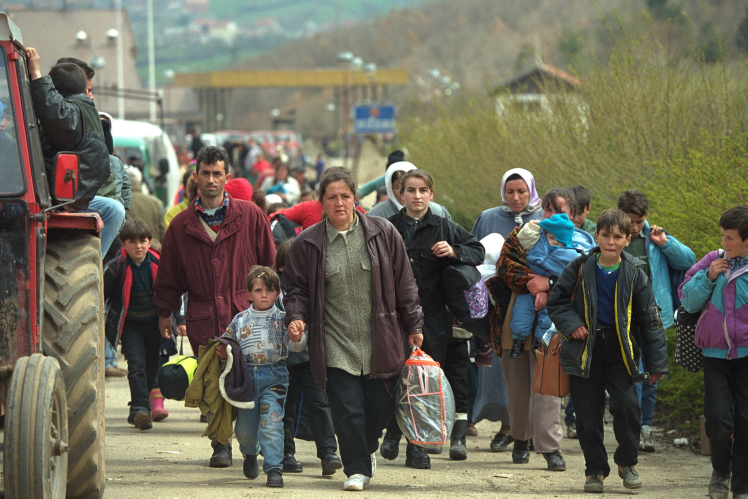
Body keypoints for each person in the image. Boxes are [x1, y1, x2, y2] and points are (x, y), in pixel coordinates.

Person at [282, 170, 424, 491]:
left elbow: (405, 284)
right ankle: (357, 469)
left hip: (381, 340)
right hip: (335, 340)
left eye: (345, 196)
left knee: (379, 409)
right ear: (321, 203)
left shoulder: (382, 233)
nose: (339, 203)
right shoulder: (308, 243)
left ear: (355, 199)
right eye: (331, 197)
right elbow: (297, 290)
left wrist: (414, 325)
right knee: (347, 411)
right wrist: (297, 316)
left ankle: (366, 449)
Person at [153, 145, 276, 468]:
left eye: (216, 173)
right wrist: (165, 312)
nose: (210, 179)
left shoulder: (250, 216)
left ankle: (257, 443)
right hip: (204, 316)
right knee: (215, 384)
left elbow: (270, 265)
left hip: (247, 315)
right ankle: (220, 444)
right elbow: (168, 275)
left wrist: (272, 307)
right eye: (205, 173)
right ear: (196, 177)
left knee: (252, 380)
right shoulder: (180, 226)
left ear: (227, 177)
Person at [547, 208, 669, 494]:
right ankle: (595, 471)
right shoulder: (579, 266)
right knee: (587, 413)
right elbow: (557, 302)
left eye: (617, 237)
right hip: (585, 349)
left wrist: (656, 364)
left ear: (628, 239)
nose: (611, 242)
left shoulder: (635, 272)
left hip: (622, 351)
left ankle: (627, 463)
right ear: (596, 236)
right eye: (605, 235)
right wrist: (572, 324)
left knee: (627, 406)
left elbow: (650, 320)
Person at [384, 168, 484, 467]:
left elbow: (477, 251)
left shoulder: (445, 227)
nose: (416, 196)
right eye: (411, 190)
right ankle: (392, 431)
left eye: (422, 191)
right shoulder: (387, 228)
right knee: (393, 375)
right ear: (401, 194)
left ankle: (417, 446)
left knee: (424, 382)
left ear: (432, 194)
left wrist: (455, 251)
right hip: (394, 318)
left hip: (433, 319)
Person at [618, 188, 695, 452]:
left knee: (653, 372)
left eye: (639, 221)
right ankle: (631, 427)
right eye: (630, 221)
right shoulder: (615, 239)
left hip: (654, 317)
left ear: (646, 217)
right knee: (631, 373)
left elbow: (689, 260)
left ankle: (645, 427)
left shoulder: (654, 239)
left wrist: (665, 242)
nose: (635, 227)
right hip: (623, 318)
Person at [215, 266, 307, 488]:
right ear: (248, 294)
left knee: (271, 424)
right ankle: (249, 453)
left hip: (275, 377)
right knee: (245, 430)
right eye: (258, 290)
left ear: (277, 293)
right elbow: (229, 344)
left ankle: (274, 468)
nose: (263, 294)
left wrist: (297, 336)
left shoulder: (284, 319)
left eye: (269, 290)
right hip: (246, 379)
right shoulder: (240, 319)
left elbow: (297, 346)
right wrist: (222, 352)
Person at [679, 205, 748, 499]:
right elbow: (687, 301)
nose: (723, 243)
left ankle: (741, 487)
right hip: (714, 357)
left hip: (746, 358)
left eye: (729, 238)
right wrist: (706, 278)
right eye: (722, 235)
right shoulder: (712, 260)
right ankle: (720, 472)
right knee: (718, 423)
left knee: (746, 423)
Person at [470, 168, 542, 452]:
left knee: (536, 365)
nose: (515, 197)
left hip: (535, 302)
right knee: (500, 369)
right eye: (510, 191)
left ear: (531, 191)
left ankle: (535, 430)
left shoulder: (542, 220)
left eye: (521, 191)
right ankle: (507, 426)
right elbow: (474, 254)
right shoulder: (488, 218)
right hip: (497, 302)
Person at [28, 48, 125, 256]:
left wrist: (36, 76)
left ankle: (92, 260)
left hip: (65, 198)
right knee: (114, 210)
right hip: (70, 196)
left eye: (90, 91)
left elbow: (55, 114)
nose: (90, 96)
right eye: (87, 89)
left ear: (55, 92)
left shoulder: (72, 113)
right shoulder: (82, 113)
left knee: (114, 210)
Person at [103, 220, 167, 431]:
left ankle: (138, 408)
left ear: (150, 242)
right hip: (130, 326)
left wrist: (180, 321)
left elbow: (173, 295)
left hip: (154, 325)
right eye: (132, 241)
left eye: (143, 241)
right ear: (123, 243)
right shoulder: (116, 267)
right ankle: (140, 407)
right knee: (136, 365)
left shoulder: (160, 265)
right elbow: (102, 296)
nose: (138, 246)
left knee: (151, 367)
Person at [508, 214, 583, 357]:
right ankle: (517, 342)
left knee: (548, 317)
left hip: (553, 293)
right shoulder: (537, 242)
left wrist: (548, 285)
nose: (554, 242)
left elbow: (573, 278)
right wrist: (532, 226)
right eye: (551, 238)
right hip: (528, 286)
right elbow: (524, 238)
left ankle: (541, 343)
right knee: (521, 311)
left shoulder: (571, 256)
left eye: (559, 241)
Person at [367, 161, 451, 219]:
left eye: (422, 190)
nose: (417, 196)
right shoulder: (376, 216)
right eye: (398, 187)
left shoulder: (438, 213)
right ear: (390, 188)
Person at [127, 167, 166, 250]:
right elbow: (164, 234)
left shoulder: (120, 203)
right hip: (154, 252)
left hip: (129, 254)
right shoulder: (156, 203)